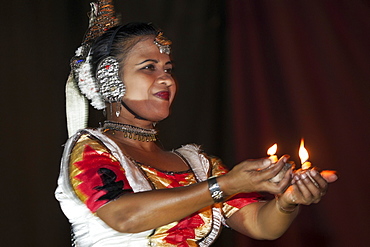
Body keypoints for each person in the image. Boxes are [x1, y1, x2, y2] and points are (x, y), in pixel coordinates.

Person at [55, 1, 338, 246]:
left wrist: (288, 201)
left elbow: (259, 225)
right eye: (148, 67)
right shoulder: (91, 149)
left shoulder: (199, 165)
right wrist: (224, 186)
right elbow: (124, 216)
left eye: (168, 69)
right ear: (110, 79)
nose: (165, 78)